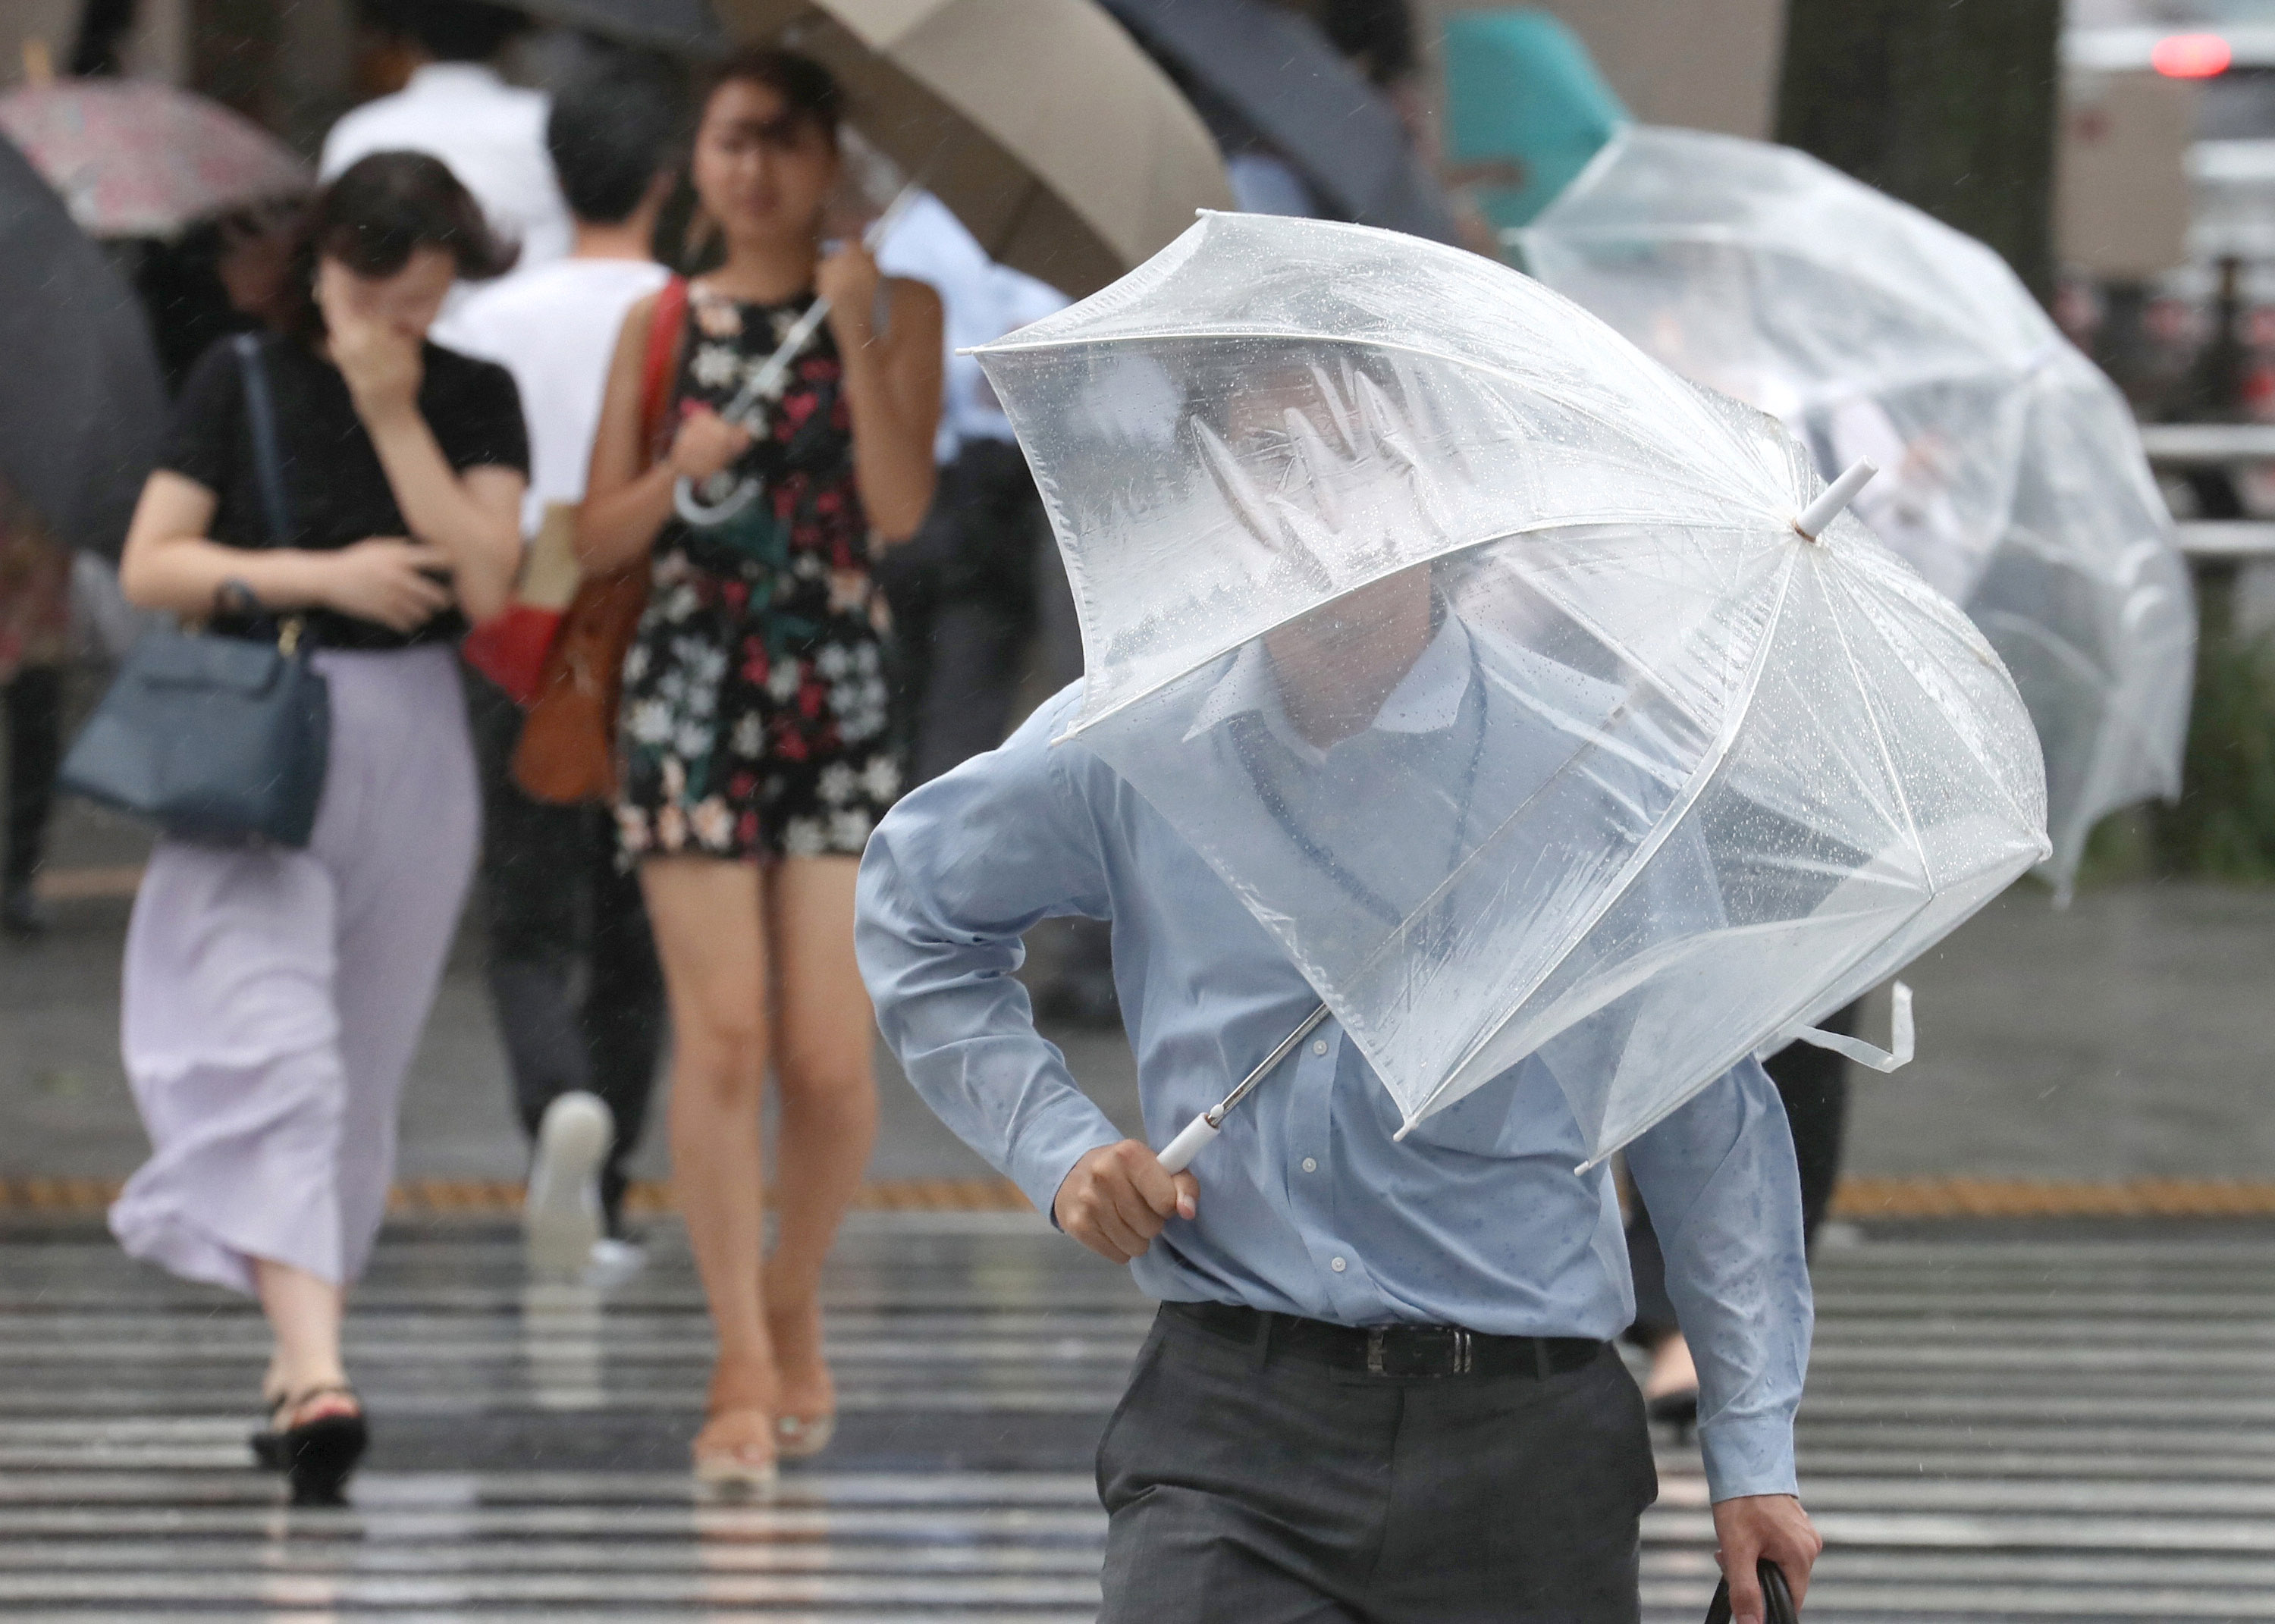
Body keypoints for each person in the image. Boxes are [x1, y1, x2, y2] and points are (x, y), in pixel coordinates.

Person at [858, 541, 1823, 1620]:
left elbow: (1706, 1117)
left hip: (1527, 1445)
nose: (1316, 528)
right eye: (1270, 481)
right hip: (1231, 1422)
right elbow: (916, 914)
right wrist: (1059, 1147)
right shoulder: (1138, 733)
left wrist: (1754, 1452)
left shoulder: (1588, 762)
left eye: (1354, 478)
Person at [107, 153, 526, 1503]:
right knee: (278, 1046)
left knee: (363, 1063)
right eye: (369, 290)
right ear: (320, 263)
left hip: (416, 737)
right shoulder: (239, 377)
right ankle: (322, 1363)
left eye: (418, 301)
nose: (388, 320)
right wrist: (318, 574)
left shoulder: (472, 395)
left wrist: (400, 415)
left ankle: (300, 1368)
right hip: (267, 726)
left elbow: (488, 578)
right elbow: (153, 563)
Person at [576, 46, 941, 1488]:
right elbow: (584, 541)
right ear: (699, 156)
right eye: (733, 139)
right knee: (722, 1035)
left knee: (829, 1059)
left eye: (786, 144)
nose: (756, 170)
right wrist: (683, 468)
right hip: (684, 693)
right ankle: (738, 1343)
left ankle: (797, 1290)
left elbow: (901, 509)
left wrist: (854, 339)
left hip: (833, 693)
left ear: (830, 162)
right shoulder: (659, 323)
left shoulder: (894, 305)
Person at [432, 53, 681, 1282]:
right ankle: (614, 1184)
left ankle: (554, 1110)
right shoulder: (687, 311)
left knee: (527, 919)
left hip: (521, 618)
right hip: (653, 626)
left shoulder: (484, 316)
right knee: (638, 924)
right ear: (667, 177)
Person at [321, 0, 572, 273]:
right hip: (537, 309)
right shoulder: (547, 124)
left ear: (408, 36)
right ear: (509, 37)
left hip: (393, 311)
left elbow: (333, 251)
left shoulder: (358, 133)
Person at [0, 481, 70, 939]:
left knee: (36, 767)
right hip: (30, 634)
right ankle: (17, 885)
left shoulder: (49, 470)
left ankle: (18, 882)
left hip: (37, 641)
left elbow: (53, 558)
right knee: (34, 765)